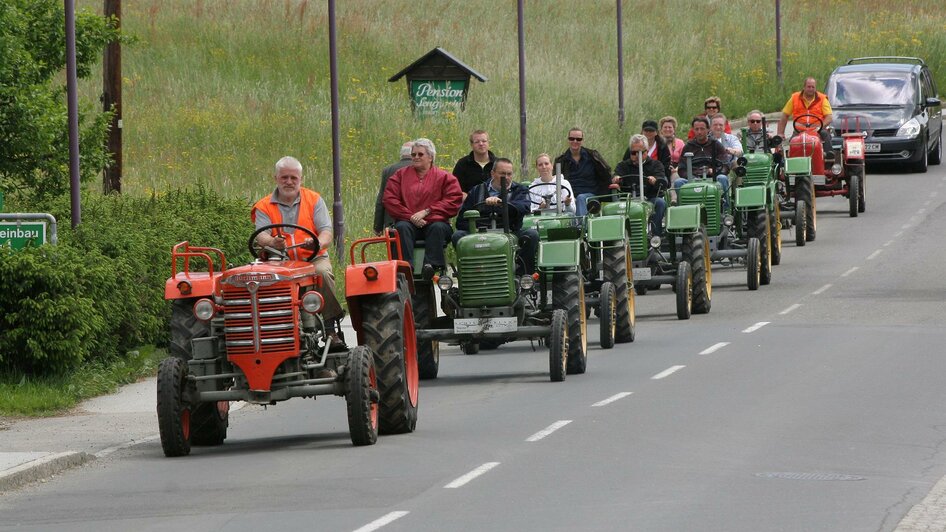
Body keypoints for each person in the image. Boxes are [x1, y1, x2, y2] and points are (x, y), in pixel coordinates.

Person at [251, 156, 346, 350]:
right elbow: (261, 235)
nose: (289, 182)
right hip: (280, 261)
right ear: (275, 178)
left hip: (312, 258)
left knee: (323, 273)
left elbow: (326, 231)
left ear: (301, 179)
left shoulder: (314, 199)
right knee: (256, 279)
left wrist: (318, 243)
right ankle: (267, 331)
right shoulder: (263, 206)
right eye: (284, 177)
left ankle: (330, 329)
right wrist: (272, 242)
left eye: (293, 178)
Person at [383, 138, 462, 277]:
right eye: (413, 155)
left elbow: (453, 200)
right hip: (408, 222)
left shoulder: (445, 177)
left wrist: (427, 212)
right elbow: (390, 200)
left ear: (431, 157)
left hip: (435, 222)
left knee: (437, 228)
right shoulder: (400, 176)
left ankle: (431, 266)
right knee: (401, 228)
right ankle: (406, 268)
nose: (416, 157)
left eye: (420, 154)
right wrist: (411, 217)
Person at [453, 158, 540, 274]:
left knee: (532, 235)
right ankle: (469, 272)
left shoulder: (519, 190)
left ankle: (524, 277)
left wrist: (502, 204)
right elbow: (461, 221)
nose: (506, 177)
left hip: (510, 231)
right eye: (502, 174)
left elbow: (523, 207)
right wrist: (477, 225)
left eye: (509, 174)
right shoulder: (477, 191)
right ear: (492, 173)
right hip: (480, 232)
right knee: (458, 236)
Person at [613, 134, 668, 235]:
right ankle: (618, 238)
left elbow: (661, 180)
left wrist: (655, 180)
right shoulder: (623, 165)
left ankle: (656, 238)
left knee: (660, 203)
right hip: (628, 200)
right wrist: (616, 179)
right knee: (611, 208)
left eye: (640, 153)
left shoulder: (656, 165)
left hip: (650, 198)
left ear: (646, 151)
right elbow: (615, 176)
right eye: (633, 153)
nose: (636, 156)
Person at [673, 117, 731, 209]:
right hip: (693, 179)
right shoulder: (688, 146)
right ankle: (683, 210)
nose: (699, 132)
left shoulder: (716, 145)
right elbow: (682, 169)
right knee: (678, 182)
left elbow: (726, 166)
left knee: (723, 178)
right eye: (697, 129)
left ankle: (725, 210)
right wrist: (692, 176)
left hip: (713, 178)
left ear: (708, 129)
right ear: (693, 130)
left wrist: (714, 171)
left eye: (702, 129)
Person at [553, 127, 612, 216]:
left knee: (581, 198)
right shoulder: (560, 161)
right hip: (570, 196)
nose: (575, 141)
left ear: (582, 140)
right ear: (568, 140)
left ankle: (581, 227)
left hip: (591, 195)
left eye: (578, 139)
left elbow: (606, 173)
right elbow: (555, 182)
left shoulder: (593, 156)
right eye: (572, 139)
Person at [776, 76, 833, 151]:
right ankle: (792, 159)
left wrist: (819, 127)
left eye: (813, 87)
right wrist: (780, 133)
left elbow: (829, 117)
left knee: (826, 136)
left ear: (815, 88)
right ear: (804, 87)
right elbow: (784, 116)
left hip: (817, 130)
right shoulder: (794, 98)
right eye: (809, 87)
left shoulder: (822, 99)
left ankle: (828, 157)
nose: (811, 89)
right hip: (799, 130)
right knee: (792, 143)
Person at [373, 141, 413, 236]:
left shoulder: (388, 170)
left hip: (392, 222)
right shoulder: (421, 168)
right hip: (416, 221)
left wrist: (377, 226)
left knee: (395, 250)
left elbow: (381, 199)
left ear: (401, 154)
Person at [451, 129, 496, 197]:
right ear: (471, 145)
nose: (481, 144)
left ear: (488, 143)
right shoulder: (462, 164)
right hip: (469, 204)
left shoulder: (498, 163)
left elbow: (505, 186)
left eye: (484, 141)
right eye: (477, 142)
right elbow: (455, 188)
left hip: (495, 202)